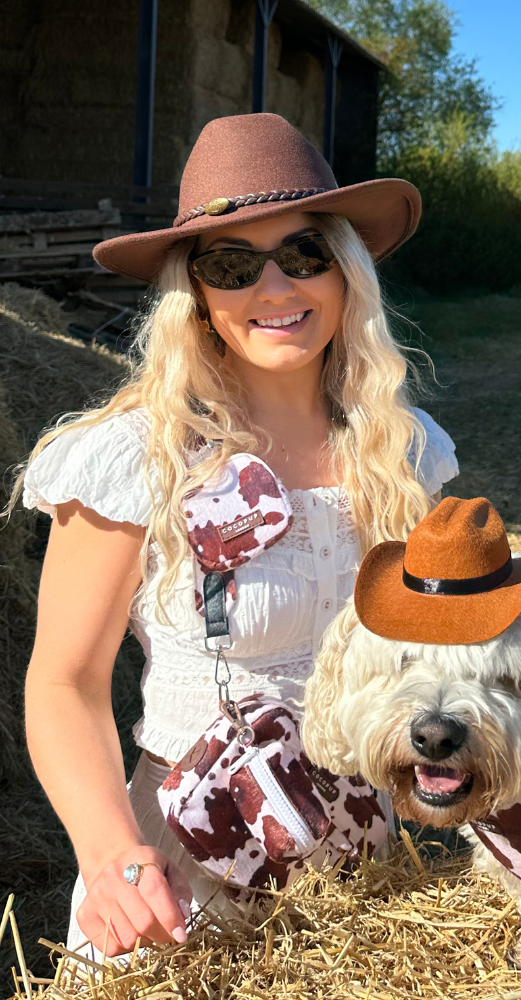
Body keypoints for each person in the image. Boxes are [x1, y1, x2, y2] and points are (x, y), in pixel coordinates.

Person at [15, 113, 459, 957]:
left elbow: (453, 626)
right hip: (188, 872)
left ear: (345, 269)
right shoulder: (135, 458)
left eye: (304, 253)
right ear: (197, 295)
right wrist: (111, 857)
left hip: (362, 873)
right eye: (232, 265)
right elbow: (65, 682)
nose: (275, 288)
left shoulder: (403, 452)